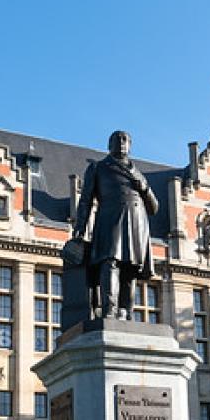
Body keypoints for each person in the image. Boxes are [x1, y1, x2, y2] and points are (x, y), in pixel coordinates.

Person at [70, 130, 159, 320]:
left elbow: (154, 208)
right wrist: (80, 228)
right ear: (108, 145)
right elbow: (85, 200)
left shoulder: (139, 173)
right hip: (110, 219)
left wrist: (144, 187)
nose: (121, 143)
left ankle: (126, 311)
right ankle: (110, 308)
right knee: (109, 261)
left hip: (136, 221)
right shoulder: (98, 168)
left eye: (125, 140)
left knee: (131, 268)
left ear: (130, 145)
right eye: (117, 140)